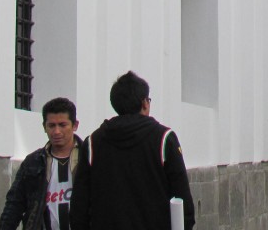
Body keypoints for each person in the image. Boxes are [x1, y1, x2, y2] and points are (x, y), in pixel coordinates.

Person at [70, 71, 195, 230]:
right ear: (144, 103)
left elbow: (80, 203)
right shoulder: (164, 139)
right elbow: (181, 197)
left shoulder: (93, 142)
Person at [0, 97, 82, 230]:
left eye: (62, 125)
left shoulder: (88, 158)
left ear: (75, 125)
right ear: (44, 127)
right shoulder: (33, 162)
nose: (57, 131)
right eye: (51, 125)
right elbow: (14, 204)